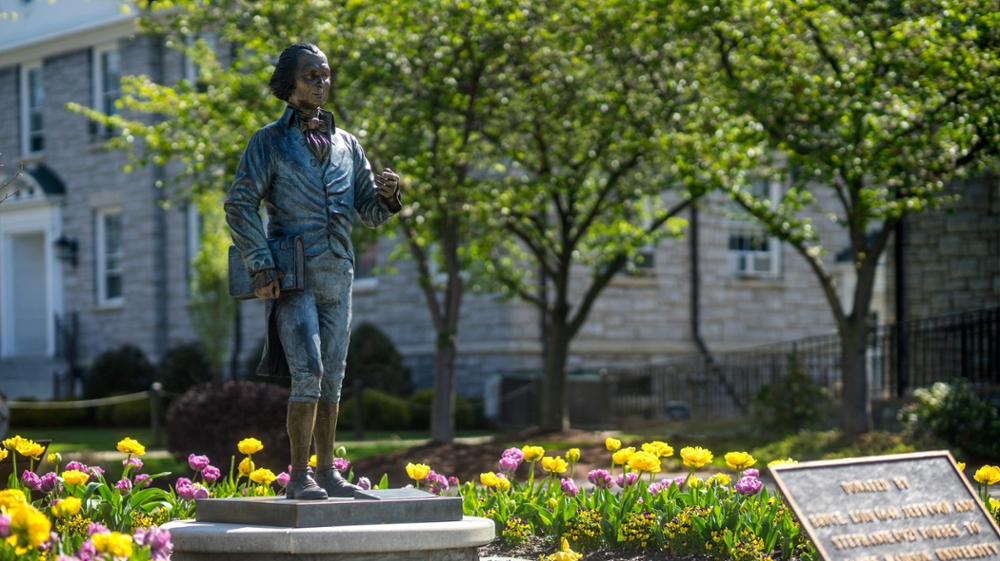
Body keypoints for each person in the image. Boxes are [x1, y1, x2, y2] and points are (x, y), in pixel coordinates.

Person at [225, 43, 401, 500]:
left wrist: (386, 197)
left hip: (338, 274)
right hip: (293, 276)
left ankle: (328, 472)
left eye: (325, 75)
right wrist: (260, 264)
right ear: (289, 83)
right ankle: (299, 476)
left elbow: (369, 211)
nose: (321, 83)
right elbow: (239, 204)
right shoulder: (268, 140)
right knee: (308, 370)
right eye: (311, 75)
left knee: (333, 375)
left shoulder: (348, 143)